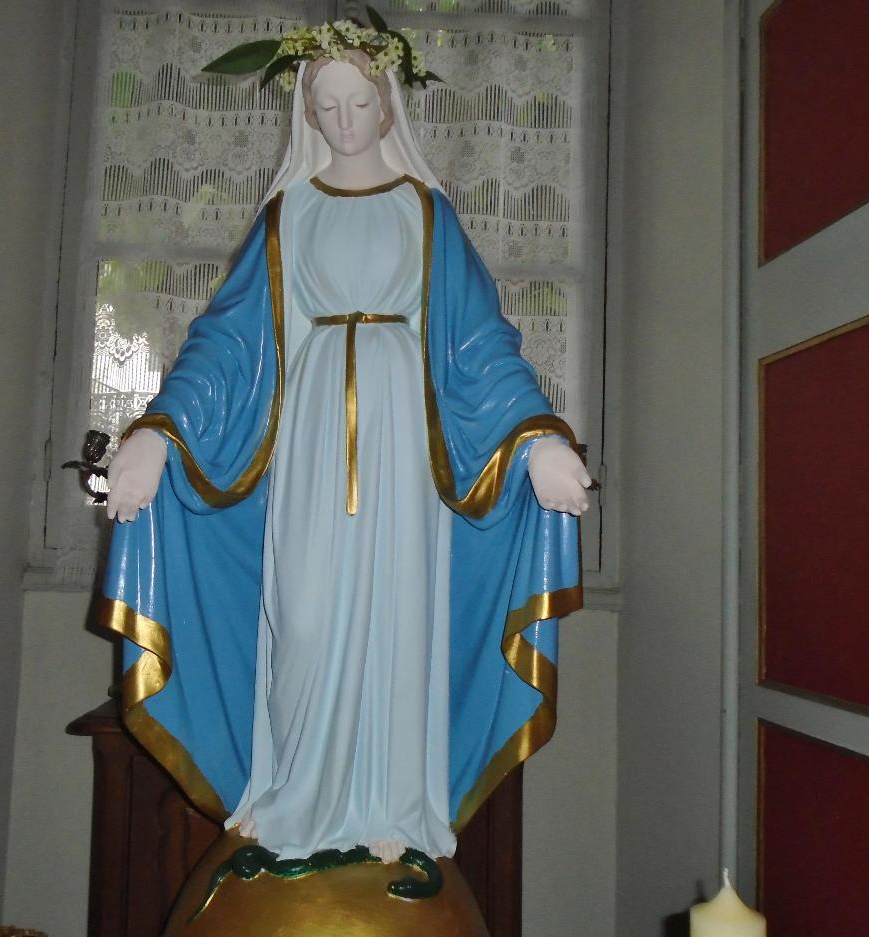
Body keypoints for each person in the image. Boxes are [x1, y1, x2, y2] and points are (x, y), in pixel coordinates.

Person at [100, 30, 590, 867]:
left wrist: (539, 438)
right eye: (326, 105)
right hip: (310, 438)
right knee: (303, 613)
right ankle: (292, 793)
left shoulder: (426, 213)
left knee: (400, 614)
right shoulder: (288, 215)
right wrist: (156, 432)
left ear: (390, 104)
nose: (344, 118)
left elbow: (479, 346)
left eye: (360, 101)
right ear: (306, 112)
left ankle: (393, 802)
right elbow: (226, 349)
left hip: (406, 444)